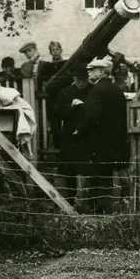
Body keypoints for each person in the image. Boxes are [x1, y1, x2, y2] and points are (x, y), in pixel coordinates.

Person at [72, 57, 130, 214]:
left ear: (101, 72)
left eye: (92, 70)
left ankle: (103, 210)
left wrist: (80, 130)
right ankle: (111, 207)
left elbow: (92, 116)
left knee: (101, 175)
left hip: (100, 141)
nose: (89, 72)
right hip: (115, 140)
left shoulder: (97, 90)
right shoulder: (116, 89)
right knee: (110, 174)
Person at [51, 63, 91, 204]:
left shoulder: (93, 91)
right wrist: (70, 106)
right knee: (69, 168)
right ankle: (69, 198)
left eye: (84, 79)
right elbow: (57, 112)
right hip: (70, 136)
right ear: (74, 78)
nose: (81, 83)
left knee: (86, 168)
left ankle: (85, 200)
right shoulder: (66, 92)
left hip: (87, 135)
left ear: (88, 78)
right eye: (78, 80)